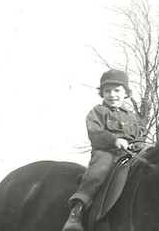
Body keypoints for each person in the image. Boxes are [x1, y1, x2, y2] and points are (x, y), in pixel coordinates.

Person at [62, 69, 141, 231]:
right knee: (97, 173)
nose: (112, 95)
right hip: (106, 153)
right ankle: (76, 213)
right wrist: (115, 140)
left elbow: (139, 137)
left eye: (117, 90)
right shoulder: (98, 112)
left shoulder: (131, 117)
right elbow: (95, 132)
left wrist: (141, 146)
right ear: (102, 93)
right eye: (107, 91)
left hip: (129, 156)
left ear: (126, 93)